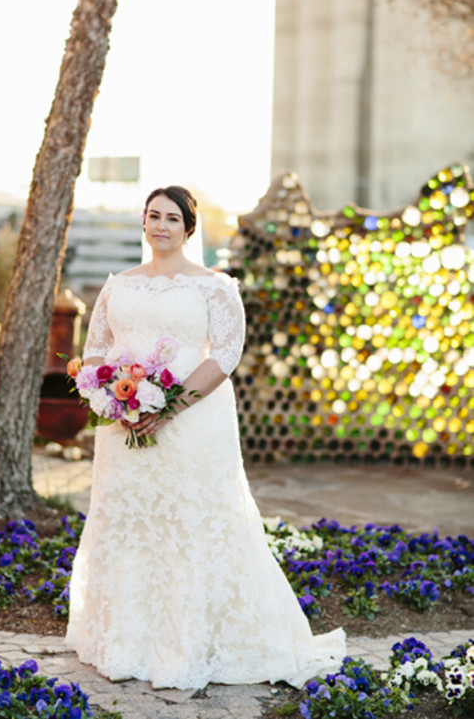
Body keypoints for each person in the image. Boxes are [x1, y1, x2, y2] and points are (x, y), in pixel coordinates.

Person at [65, 185, 346, 691]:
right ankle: (126, 640)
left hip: (192, 426)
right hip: (124, 428)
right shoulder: (118, 285)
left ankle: (188, 644)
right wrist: (116, 401)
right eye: (153, 216)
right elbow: (95, 351)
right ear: (144, 223)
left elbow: (226, 353)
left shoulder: (214, 286)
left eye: (172, 218)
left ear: (189, 228)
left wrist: (167, 407)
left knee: (189, 526)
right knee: (132, 524)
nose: (161, 226)